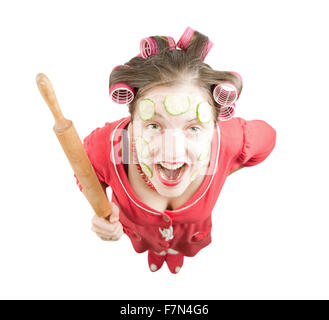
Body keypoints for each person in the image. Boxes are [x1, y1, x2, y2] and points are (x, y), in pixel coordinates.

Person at [78, 27, 276, 273]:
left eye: (193, 128)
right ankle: (156, 253)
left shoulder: (229, 139)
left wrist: (227, 167)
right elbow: (84, 174)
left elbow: (268, 138)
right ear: (132, 120)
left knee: (181, 248)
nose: (172, 154)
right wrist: (100, 209)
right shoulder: (103, 147)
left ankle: (176, 255)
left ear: (215, 126)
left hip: (190, 236)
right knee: (152, 246)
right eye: (153, 125)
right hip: (142, 235)